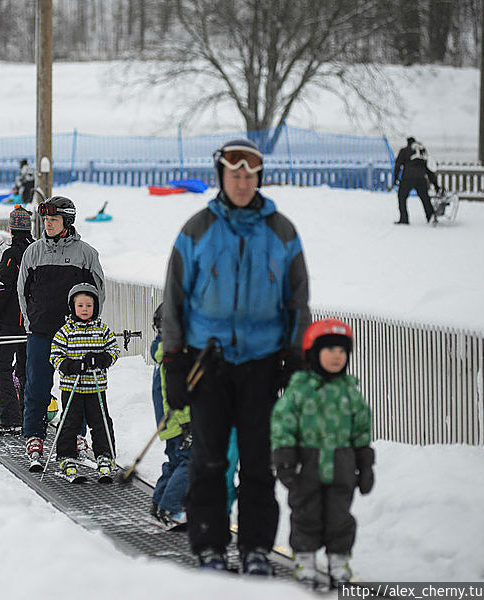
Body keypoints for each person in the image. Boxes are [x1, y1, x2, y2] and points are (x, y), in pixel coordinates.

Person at [161, 139, 311, 573]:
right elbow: (174, 299)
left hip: (263, 365)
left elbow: (298, 300)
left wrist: (296, 358)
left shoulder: (280, 230)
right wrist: (173, 360)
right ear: (221, 177)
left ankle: (256, 550)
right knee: (209, 460)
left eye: (250, 175)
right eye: (235, 174)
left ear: (258, 178)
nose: (243, 182)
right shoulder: (197, 229)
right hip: (208, 364)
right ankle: (209, 547)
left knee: (259, 463)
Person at [271, 318, 374, 587]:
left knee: (340, 517)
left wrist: (364, 463)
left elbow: (361, 429)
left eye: (342, 351)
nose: (337, 357)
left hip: (342, 466)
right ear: (313, 353)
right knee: (305, 514)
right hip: (307, 466)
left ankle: (339, 561)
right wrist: (284, 456)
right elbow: (283, 423)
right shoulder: (299, 390)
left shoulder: (350, 393)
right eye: (330, 350)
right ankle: (304, 560)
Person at [17, 196, 105, 469]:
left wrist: (88, 327)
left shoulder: (86, 254)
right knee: (37, 386)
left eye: (53, 220)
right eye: (45, 220)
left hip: (74, 334)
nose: (48, 224)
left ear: (67, 221)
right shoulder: (33, 252)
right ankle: (34, 434)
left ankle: (76, 435)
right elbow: (23, 290)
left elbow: (98, 292)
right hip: (41, 331)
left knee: (75, 388)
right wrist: (31, 322)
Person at [49, 283, 120, 479]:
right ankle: (65, 454)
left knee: (100, 421)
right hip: (72, 386)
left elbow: (114, 351)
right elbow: (55, 355)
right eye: (80, 306)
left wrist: (102, 359)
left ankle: (105, 454)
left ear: (95, 307)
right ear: (72, 307)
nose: (85, 310)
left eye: (89, 306)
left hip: (95, 387)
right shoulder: (66, 331)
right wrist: (69, 365)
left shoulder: (102, 330)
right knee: (70, 421)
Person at [0, 205, 34, 435]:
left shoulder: (11, 254)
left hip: (11, 321)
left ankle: (10, 418)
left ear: (12, 228)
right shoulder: (38, 251)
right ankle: (29, 418)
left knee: (2, 369)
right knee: (26, 370)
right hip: (33, 322)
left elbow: (2, 288)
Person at [149, 302, 192, 530]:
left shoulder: (165, 352)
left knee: (175, 461)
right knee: (189, 462)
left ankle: (158, 504)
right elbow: (173, 395)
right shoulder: (173, 358)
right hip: (179, 421)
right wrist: (187, 423)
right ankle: (171, 508)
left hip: (171, 423)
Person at [392, 137, 442, 225]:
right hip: (421, 178)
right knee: (425, 198)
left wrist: (395, 178)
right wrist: (435, 184)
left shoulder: (404, 151)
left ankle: (404, 218)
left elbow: (398, 165)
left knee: (402, 197)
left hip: (408, 178)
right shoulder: (422, 151)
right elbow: (428, 169)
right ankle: (430, 216)